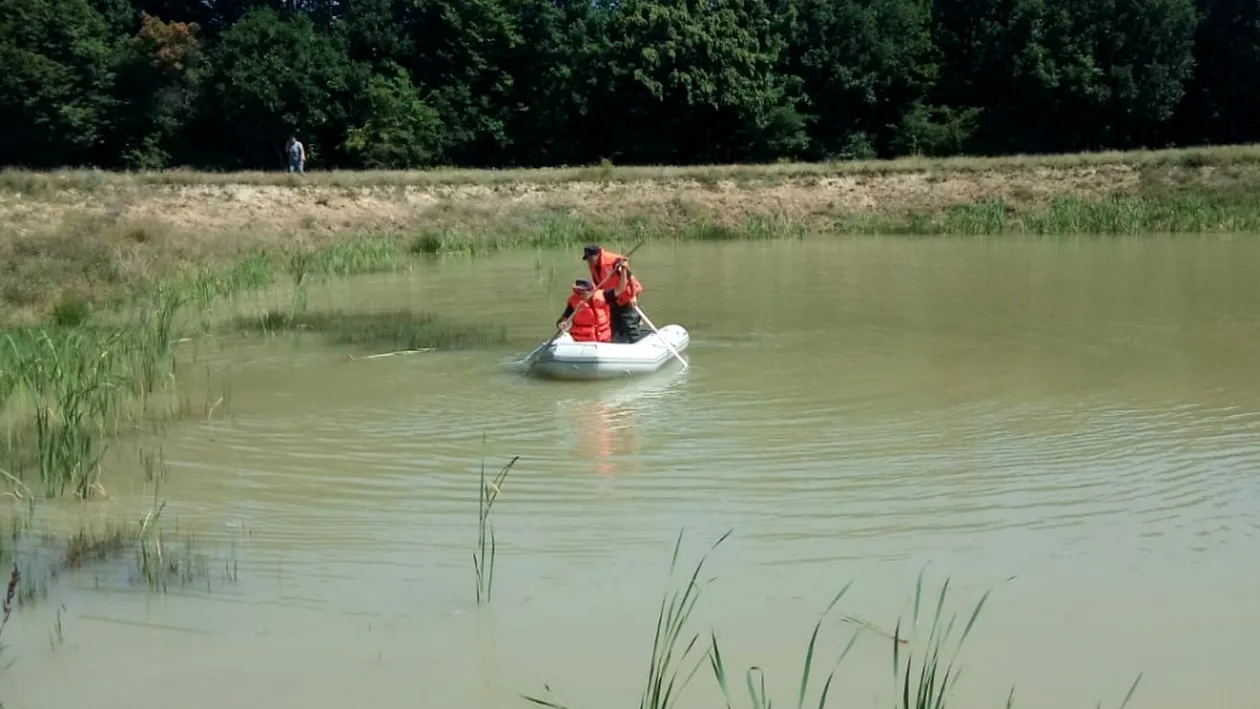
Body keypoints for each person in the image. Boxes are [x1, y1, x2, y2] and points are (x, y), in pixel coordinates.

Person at [581, 244, 644, 343]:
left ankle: (635, 342)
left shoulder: (614, 261)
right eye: (587, 259)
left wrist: (633, 297)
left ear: (597, 255)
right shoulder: (592, 266)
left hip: (626, 295)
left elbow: (631, 277)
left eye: (590, 259)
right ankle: (618, 343)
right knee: (613, 324)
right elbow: (598, 284)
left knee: (629, 321)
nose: (589, 262)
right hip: (612, 296)